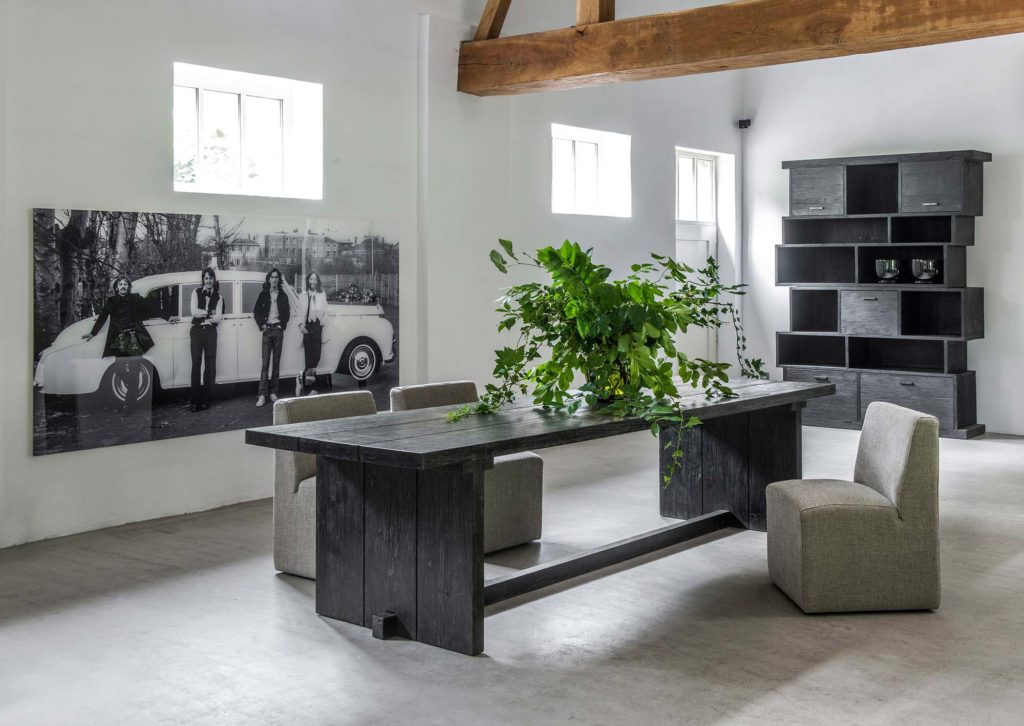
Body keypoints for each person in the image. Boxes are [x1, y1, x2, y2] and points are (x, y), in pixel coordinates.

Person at [82, 275, 176, 410]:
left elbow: (152, 308)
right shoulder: (111, 301)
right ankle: (132, 383)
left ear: (128, 287)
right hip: (119, 338)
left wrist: (168, 317)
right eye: (120, 284)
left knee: (135, 369)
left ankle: (129, 404)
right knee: (118, 368)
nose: (123, 286)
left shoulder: (135, 298)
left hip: (134, 337)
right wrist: (93, 332)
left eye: (125, 284)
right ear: (116, 288)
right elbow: (102, 317)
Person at [253, 268, 290, 407]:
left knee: (276, 362)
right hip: (267, 331)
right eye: (272, 277)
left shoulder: (283, 295)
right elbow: (256, 311)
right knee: (265, 364)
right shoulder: (263, 294)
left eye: (276, 277)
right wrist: (262, 325)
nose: (274, 279)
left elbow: (287, 312)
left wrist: (282, 325)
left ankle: (274, 392)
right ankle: (262, 394)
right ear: (269, 279)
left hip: (278, 331)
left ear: (278, 280)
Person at [189, 267, 223, 412]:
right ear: (203, 280)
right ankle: (194, 401)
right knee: (196, 365)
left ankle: (206, 400)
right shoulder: (196, 293)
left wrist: (204, 314)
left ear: (214, 281)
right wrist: (209, 313)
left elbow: (218, 317)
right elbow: (194, 312)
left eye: (211, 278)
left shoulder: (219, 297)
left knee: (209, 366)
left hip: (210, 332)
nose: (208, 281)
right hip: (196, 331)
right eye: (206, 278)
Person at [297, 270, 328, 396]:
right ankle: (312, 388)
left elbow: (326, 311)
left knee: (317, 357)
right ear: (308, 281)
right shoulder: (303, 295)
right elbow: (299, 313)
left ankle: (302, 381)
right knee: (308, 359)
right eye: (311, 279)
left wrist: (322, 323)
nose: (313, 281)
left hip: (317, 327)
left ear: (317, 281)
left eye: (315, 279)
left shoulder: (322, 294)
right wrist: (301, 326)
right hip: (307, 328)